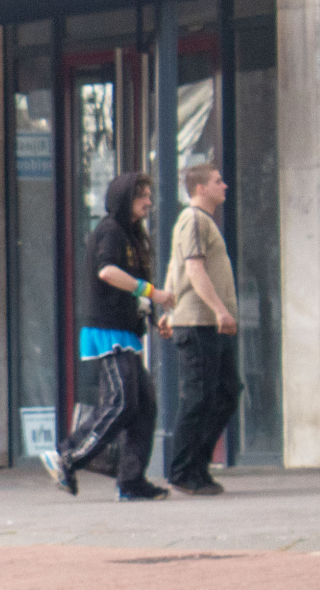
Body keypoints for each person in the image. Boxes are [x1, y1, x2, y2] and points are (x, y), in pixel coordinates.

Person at [47, 170, 175, 500]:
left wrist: (153, 314)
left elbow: (132, 289)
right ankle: (68, 455)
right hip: (107, 332)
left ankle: (131, 481)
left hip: (125, 331)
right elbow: (107, 271)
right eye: (141, 196)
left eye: (149, 195)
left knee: (143, 407)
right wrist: (153, 291)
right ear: (124, 199)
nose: (148, 201)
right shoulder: (111, 231)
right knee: (121, 403)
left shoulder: (133, 236)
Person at [164, 162, 242, 496]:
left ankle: (197, 466)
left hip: (207, 322)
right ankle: (183, 471)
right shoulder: (193, 219)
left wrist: (169, 309)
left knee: (224, 392)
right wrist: (220, 310)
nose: (224, 186)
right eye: (217, 181)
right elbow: (193, 269)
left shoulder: (202, 222)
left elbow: (174, 267)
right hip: (200, 323)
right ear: (200, 188)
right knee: (198, 396)